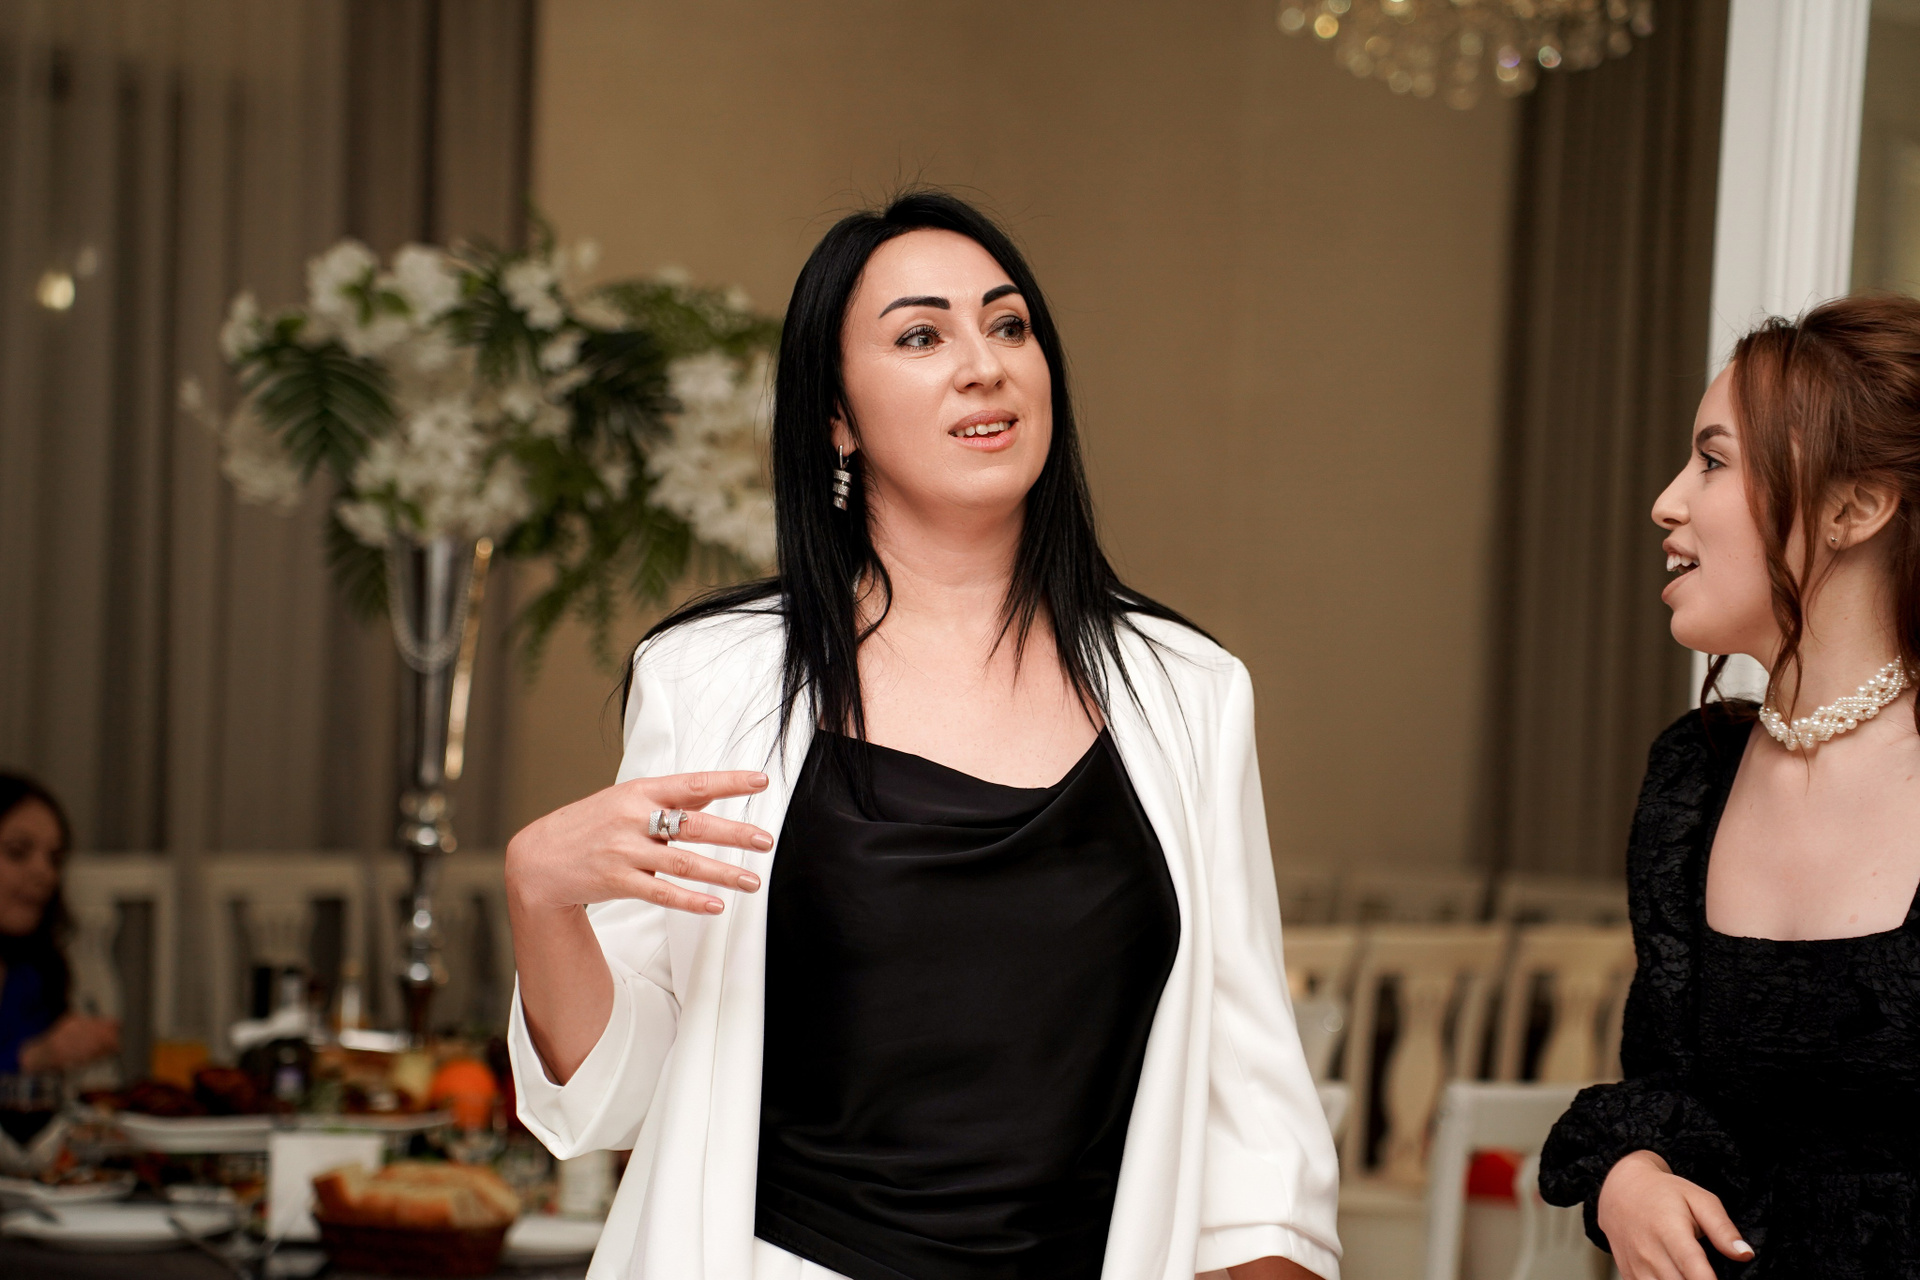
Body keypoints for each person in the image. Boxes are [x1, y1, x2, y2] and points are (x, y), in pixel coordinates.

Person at [503, 192, 1339, 1280]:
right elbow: (611, 1094)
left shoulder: (1188, 692)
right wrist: (540, 892)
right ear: (836, 418)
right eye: (919, 337)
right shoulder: (714, 678)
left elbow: (1257, 1121)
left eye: (1008, 325)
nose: (983, 365)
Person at [1539, 294, 1920, 1279]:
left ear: (1854, 507)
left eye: (1713, 461)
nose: (1666, 502)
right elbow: (1671, 1090)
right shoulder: (1694, 776)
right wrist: (1629, 1173)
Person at [0, 773, 118, 1075]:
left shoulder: (29, 974)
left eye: (54, 859)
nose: (44, 873)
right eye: (17, 852)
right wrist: (35, 1056)